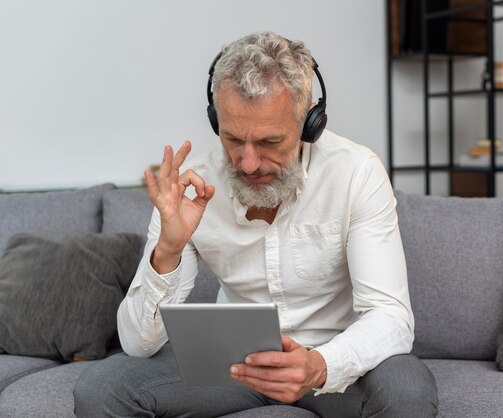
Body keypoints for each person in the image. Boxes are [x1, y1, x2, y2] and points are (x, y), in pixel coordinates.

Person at [74, 31, 438, 417]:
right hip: (234, 368)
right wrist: (169, 248)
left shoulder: (356, 172)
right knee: (102, 388)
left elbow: (392, 317)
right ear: (216, 121)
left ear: (309, 121)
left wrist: (319, 366)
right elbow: (137, 344)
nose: (247, 163)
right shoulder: (191, 188)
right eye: (233, 139)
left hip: (335, 366)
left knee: (406, 390)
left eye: (269, 142)